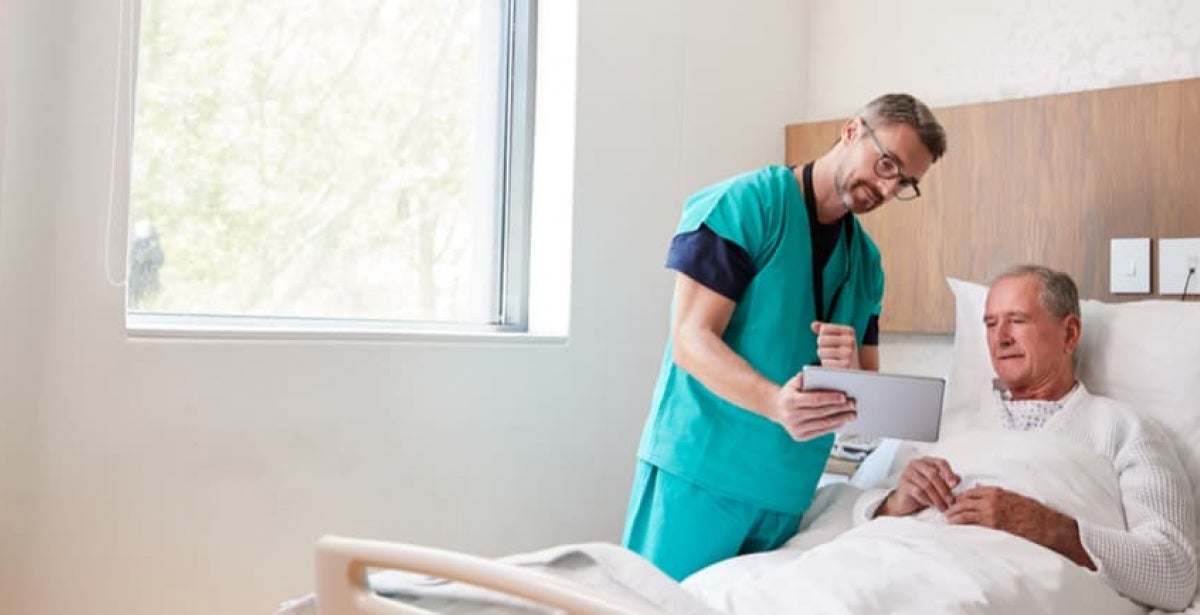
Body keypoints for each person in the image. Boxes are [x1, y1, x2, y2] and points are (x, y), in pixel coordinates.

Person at [622, 93, 948, 581]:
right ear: (851, 130)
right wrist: (777, 403)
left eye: (904, 183)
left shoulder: (868, 265)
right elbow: (691, 339)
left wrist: (851, 373)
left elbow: (868, 391)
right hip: (699, 474)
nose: (886, 186)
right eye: (886, 164)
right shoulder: (745, 206)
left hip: (785, 493)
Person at [857, 265, 1197, 611]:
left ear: (1069, 333)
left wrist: (1046, 526)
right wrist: (894, 503)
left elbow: (1174, 572)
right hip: (889, 569)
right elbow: (859, 514)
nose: (1000, 337)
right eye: (990, 324)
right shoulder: (948, 422)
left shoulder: (1123, 429)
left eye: (1017, 320)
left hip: (991, 585)